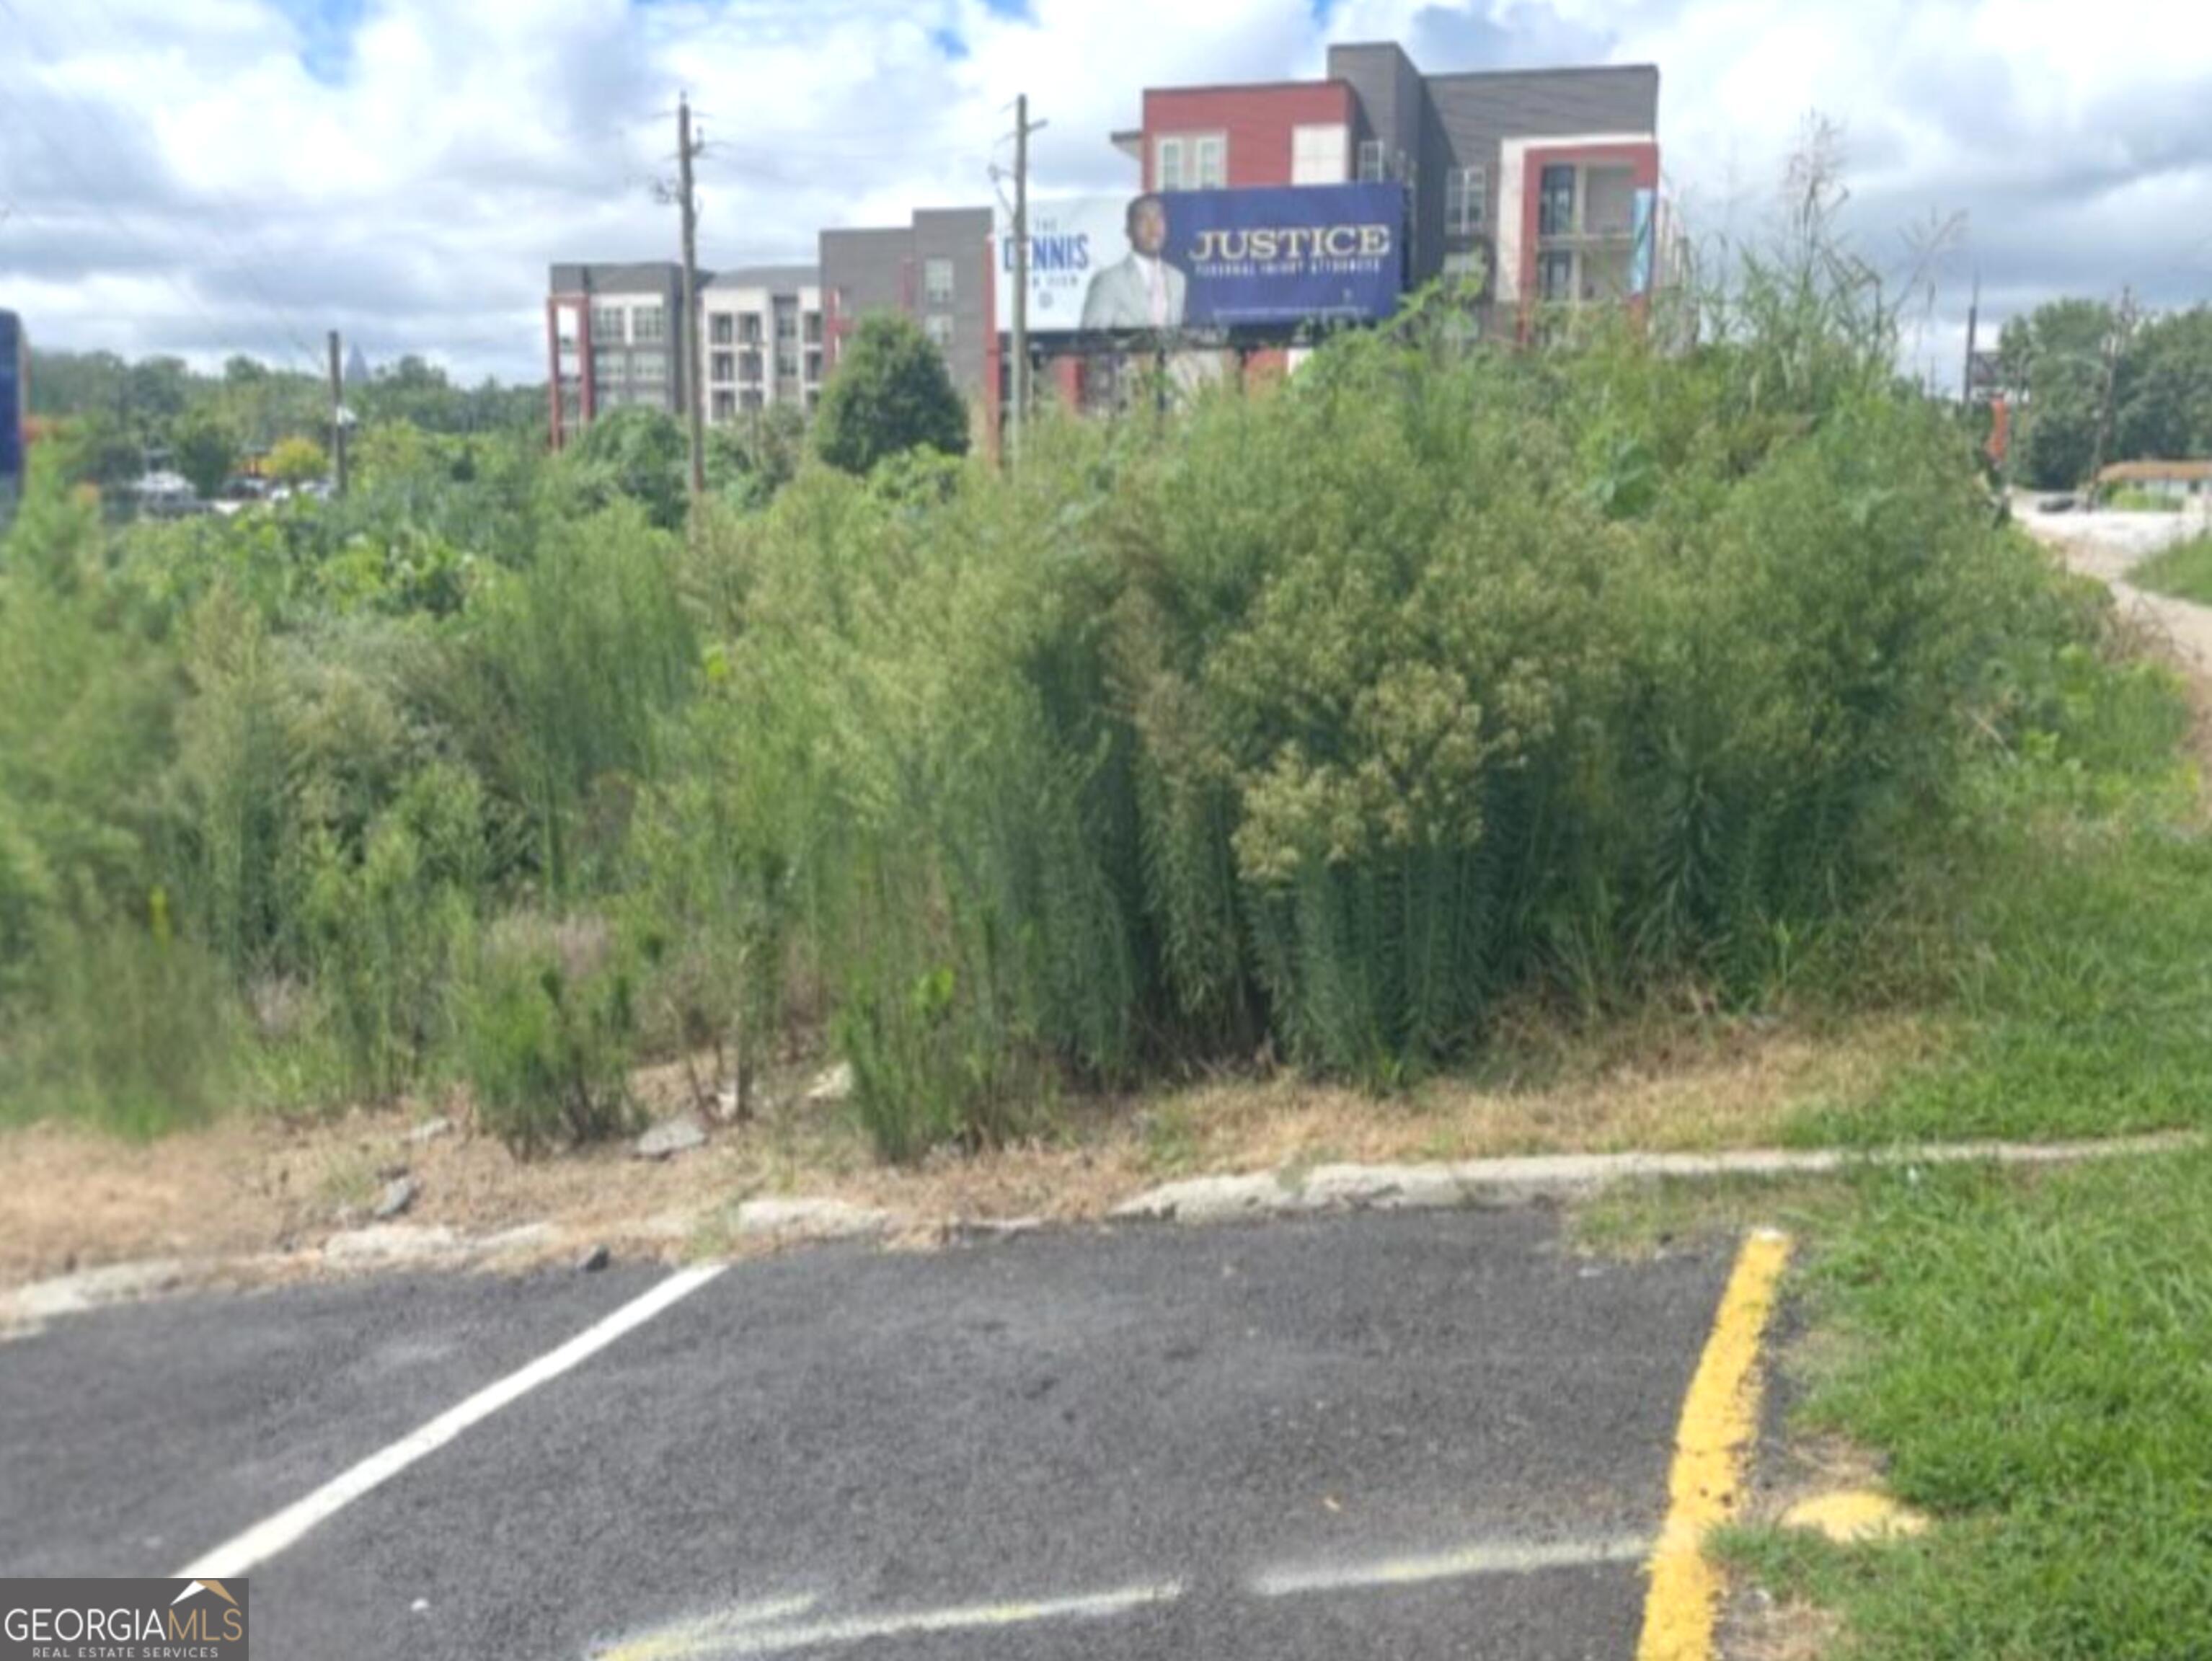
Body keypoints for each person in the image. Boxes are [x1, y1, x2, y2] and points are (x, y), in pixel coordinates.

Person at [1081, 194, 1186, 331]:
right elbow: (1091, 341)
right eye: (1144, 220)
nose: (1153, 228)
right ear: (1128, 231)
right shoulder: (1109, 281)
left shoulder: (1177, 279)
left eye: (1158, 218)